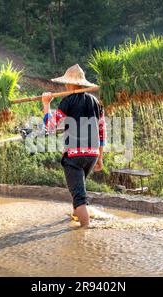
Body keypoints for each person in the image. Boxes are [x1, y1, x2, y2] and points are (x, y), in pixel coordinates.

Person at [42, 64, 106, 227]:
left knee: (79, 196)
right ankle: (76, 216)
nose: (64, 86)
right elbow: (101, 131)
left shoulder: (68, 101)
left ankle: (84, 232)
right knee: (78, 188)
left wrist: (46, 104)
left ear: (70, 84)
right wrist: (100, 158)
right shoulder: (97, 103)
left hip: (74, 156)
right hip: (91, 155)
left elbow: (50, 126)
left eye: (66, 83)